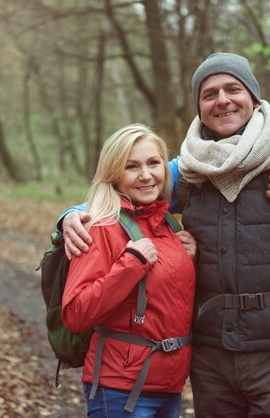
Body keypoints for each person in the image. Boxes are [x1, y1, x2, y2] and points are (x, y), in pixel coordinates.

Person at [58, 53, 270, 418]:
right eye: (209, 94)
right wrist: (70, 216)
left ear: (253, 97)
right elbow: (126, 190)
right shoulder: (190, 167)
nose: (222, 100)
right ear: (200, 107)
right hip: (213, 356)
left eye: (233, 89)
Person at [62, 123, 197, 417]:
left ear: (166, 167)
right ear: (113, 173)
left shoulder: (168, 226)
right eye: (131, 167)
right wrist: (130, 265)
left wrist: (189, 258)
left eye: (153, 163)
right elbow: (75, 313)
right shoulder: (100, 226)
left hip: (170, 388)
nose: (146, 175)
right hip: (119, 389)